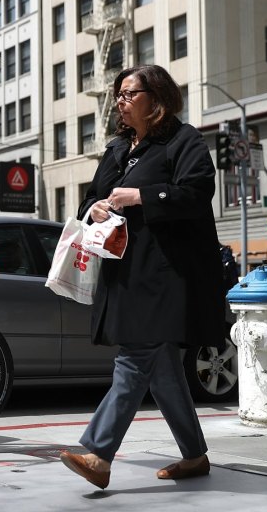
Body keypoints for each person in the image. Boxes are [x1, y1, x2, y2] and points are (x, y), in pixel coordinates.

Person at [60, 65, 226, 489]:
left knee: (135, 358)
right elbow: (91, 198)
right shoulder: (118, 148)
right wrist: (93, 207)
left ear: (157, 98)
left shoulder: (182, 140)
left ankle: (99, 454)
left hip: (167, 274)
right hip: (126, 273)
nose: (121, 100)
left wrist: (142, 196)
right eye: (119, 94)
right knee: (163, 367)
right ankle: (194, 456)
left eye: (130, 93)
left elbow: (197, 192)